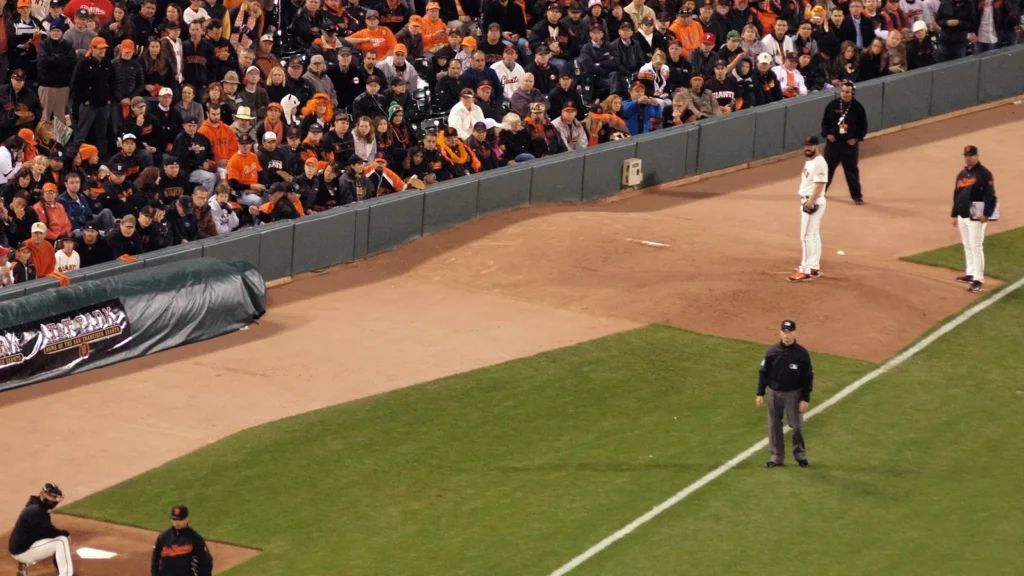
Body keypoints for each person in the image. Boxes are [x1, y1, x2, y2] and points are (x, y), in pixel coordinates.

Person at [756, 320, 814, 468]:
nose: (786, 335)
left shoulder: (801, 353)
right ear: (780, 333)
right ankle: (776, 457)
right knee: (774, 426)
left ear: (794, 333)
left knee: (797, 427)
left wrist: (805, 398)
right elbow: (763, 372)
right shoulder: (772, 351)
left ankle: (800, 455)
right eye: (784, 332)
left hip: (794, 394)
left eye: (789, 332)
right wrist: (760, 393)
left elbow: (808, 376)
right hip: (774, 393)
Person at [950, 145, 998, 294]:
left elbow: (991, 196)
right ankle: (970, 273)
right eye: (966, 155)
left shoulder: (984, 174)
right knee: (967, 244)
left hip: (977, 210)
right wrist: (955, 214)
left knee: (976, 246)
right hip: (962, 213)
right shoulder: (962, 174)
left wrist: (987, 213)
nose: (968, 158)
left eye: (970, 155)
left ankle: (978, 279)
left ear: (977, 156)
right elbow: (957, 195)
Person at [8, 483, 74, 576]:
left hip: (20, 547)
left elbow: (44, 531)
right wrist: (65, 533)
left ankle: (22, 566)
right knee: (61, 540)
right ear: (43, 495)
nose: (54, 500)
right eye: (52, 497)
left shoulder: (36, 506)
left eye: (55, 497)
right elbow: (49, 531)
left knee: (54, 537)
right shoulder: (35, 510)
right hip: (22, 552)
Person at [789, 136, 829, 282]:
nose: (807, 148)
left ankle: (804, 271)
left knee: (805, 236)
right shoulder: (810, 161)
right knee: (813, 235)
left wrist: (811, 202)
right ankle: (813, 267)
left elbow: (820, 184)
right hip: (810, 200)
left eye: (810, 146)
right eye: (806, 145)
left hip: (812, 202)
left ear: (816, 146)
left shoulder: (819, 163)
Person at [820, 81, 867, 205]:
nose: (844, 94)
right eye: (843, 91)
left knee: (851, 170)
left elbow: (863, 127)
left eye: (847, 92)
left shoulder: (858, 108)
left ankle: (857, 196)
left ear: (852, 93)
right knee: (827, 169)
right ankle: (820, 193)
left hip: (849, 145)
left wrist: (856, 138)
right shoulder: (832, 105)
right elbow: (825, 123)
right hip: (833, 143)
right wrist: (827, 134)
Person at [151, 505, 213, 576]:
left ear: (187, 519)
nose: (177, 523)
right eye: (174, 519)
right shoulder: (163, 536)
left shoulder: (195, 538)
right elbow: (155, 559)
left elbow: (206, 561)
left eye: (180, 520)